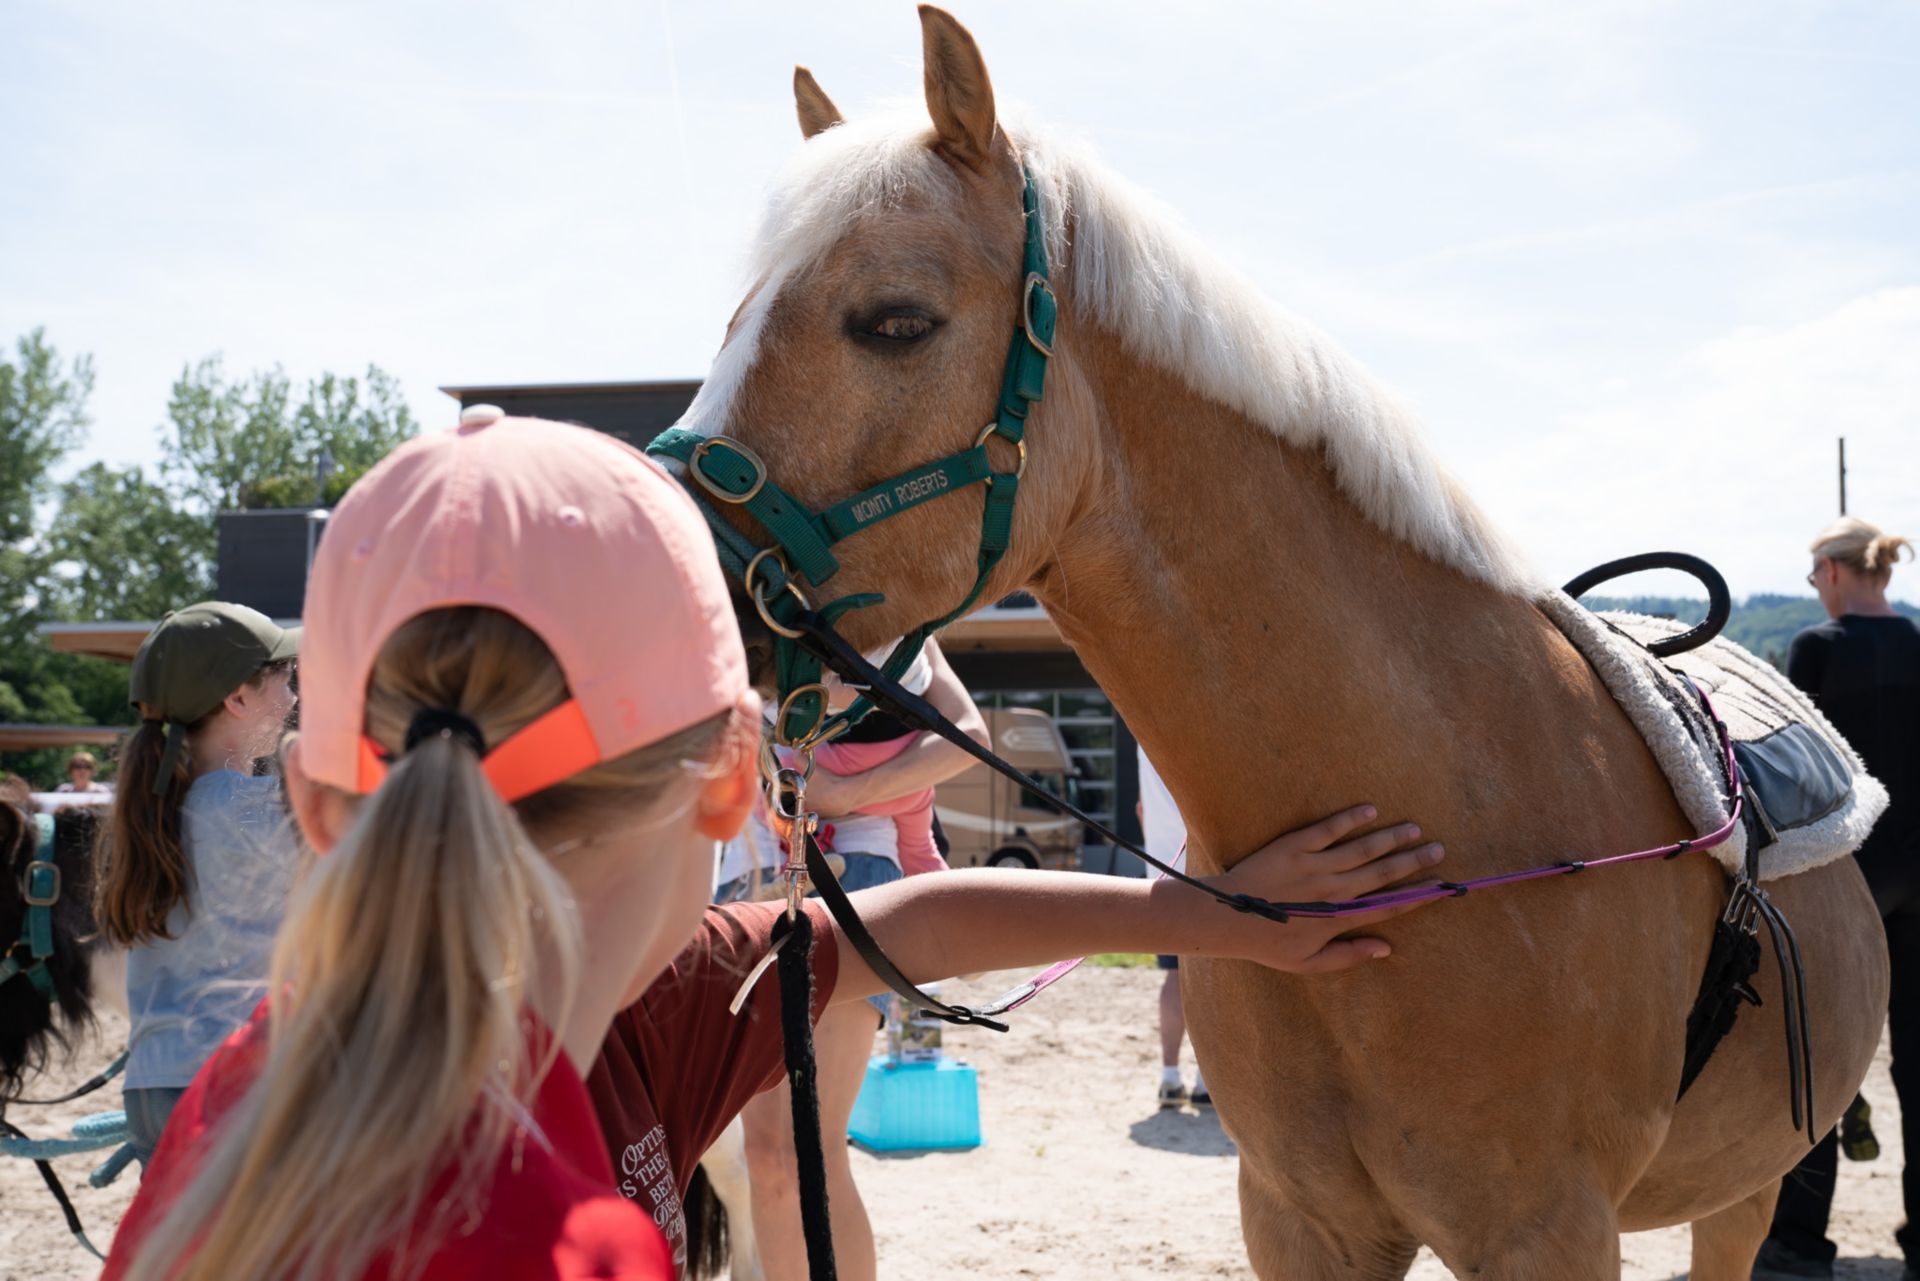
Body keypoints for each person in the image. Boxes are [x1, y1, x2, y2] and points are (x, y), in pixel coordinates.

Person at [106, 412, 1444, 1280]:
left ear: (322, 802)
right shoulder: (565, 1241)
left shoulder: (249, 1103)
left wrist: (1213, 915)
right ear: (734, 776)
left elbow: (908, 924)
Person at [734, 638, 987, 1281]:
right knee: (764, 1155)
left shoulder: (904, 625)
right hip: (751, 868)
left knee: (809, 1148)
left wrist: (850, 791)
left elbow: (968, 731)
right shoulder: (762, 599)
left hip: (852, 872)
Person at [1756, 517, 1919, 1281]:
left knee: (1818, 1057)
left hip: (1850, 877)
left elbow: (1801, 770)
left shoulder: (1816, 650)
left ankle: (1797, 1245)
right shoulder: (1919, 644)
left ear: (1830, 570)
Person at [93, 602, 300, 1168]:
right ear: (237, 698)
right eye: (285, 680)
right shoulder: (265, 812)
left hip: (153, 1087)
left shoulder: (153, 809)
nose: (293, 699)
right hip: (239, 1084)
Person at [1136, 747, 1209, 1110]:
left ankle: (1169, 1075)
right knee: (1214, 979)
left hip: (1162, 871)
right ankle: (1206, 1080)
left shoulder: (1144, 730)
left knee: (1175, 976)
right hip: (1207, 870)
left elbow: (1141, 810)